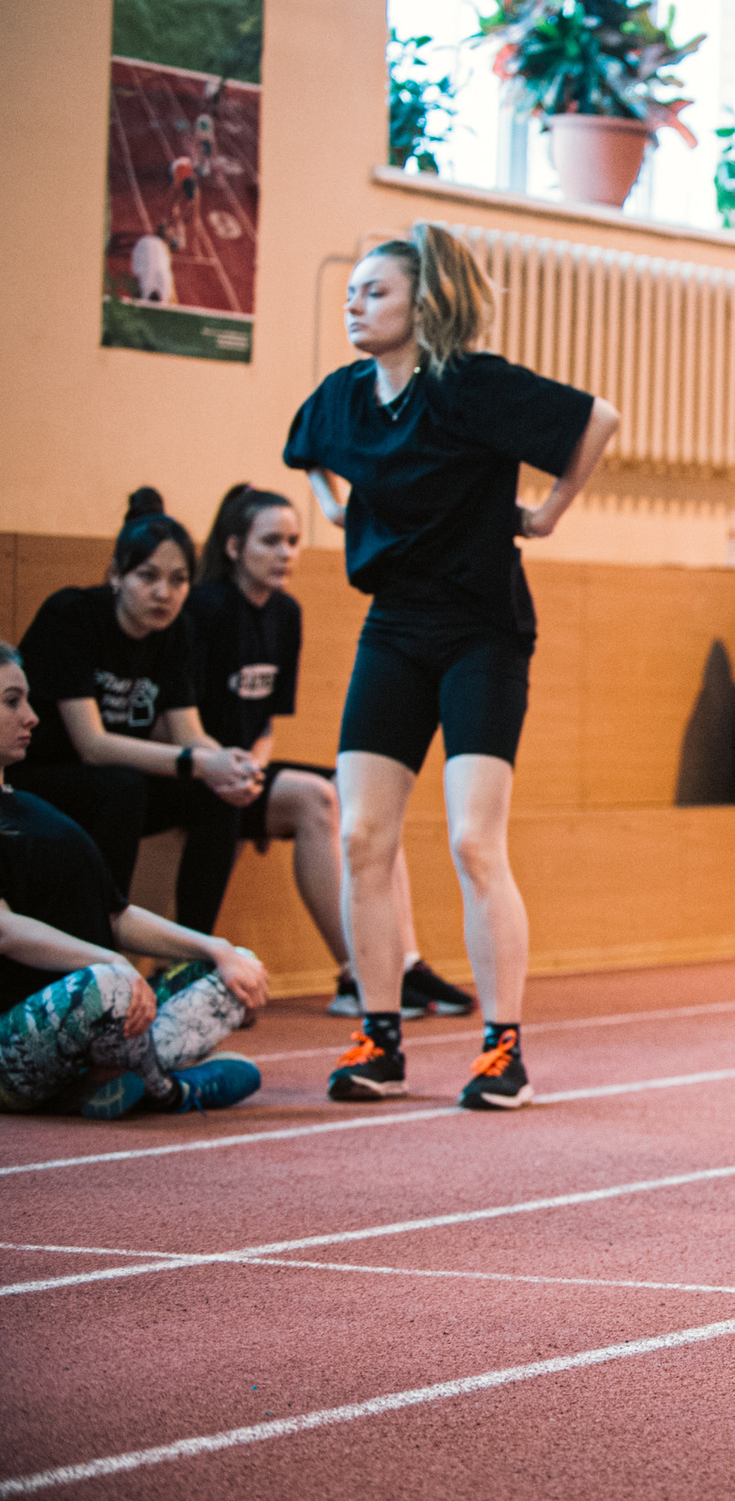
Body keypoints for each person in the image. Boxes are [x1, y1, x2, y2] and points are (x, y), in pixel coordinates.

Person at [285, 223, 619, 1109]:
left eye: (376, 291)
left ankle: (501, 1048)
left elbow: (599, 419)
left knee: (474, 838)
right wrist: (335, 508)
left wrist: (549, 510)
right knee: (362, 836)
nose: (355, 303)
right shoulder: (346, 396)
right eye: (351, 290)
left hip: (482, 632)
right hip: (393, 626)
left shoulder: (472, 386)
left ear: (423, 304)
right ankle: (380, 1036)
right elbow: (305, 450)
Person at [188, 483, 468, 1020]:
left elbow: (267, 720)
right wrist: (223, 765)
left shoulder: (285, 613)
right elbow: (180, 713)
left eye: (293, 541)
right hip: (197, 770)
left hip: (249, 770)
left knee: (363, 792)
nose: (286, 553)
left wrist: (258, 764)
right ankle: (357, 974)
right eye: (271, 541)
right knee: (317, 797)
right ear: (232, 548)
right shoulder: (205, 610)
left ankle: (403, 963)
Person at [0, 642, 267, 1119]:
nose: (31, 717)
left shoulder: (40, 811)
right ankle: (168, 1091)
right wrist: (110, 964)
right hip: (13, 1045)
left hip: (96, 1017)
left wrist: (216, 949)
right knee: (107, 985)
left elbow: (116, 916)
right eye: (10, 701)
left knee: (236, 968)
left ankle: (104, 1083)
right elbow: (5, 929)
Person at [14, 490, 263, 925]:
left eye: (179, 580)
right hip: (41, 778)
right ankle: (103, 935)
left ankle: (193, 959)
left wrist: (229, 764)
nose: (163, 593)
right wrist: (199, 762)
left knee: (218, 795)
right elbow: (91, 745)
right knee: (123, 786)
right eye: (147, 576)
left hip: (117, 783)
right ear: (116, 575)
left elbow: (190, 734)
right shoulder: (72, 615)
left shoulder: (177, 631)